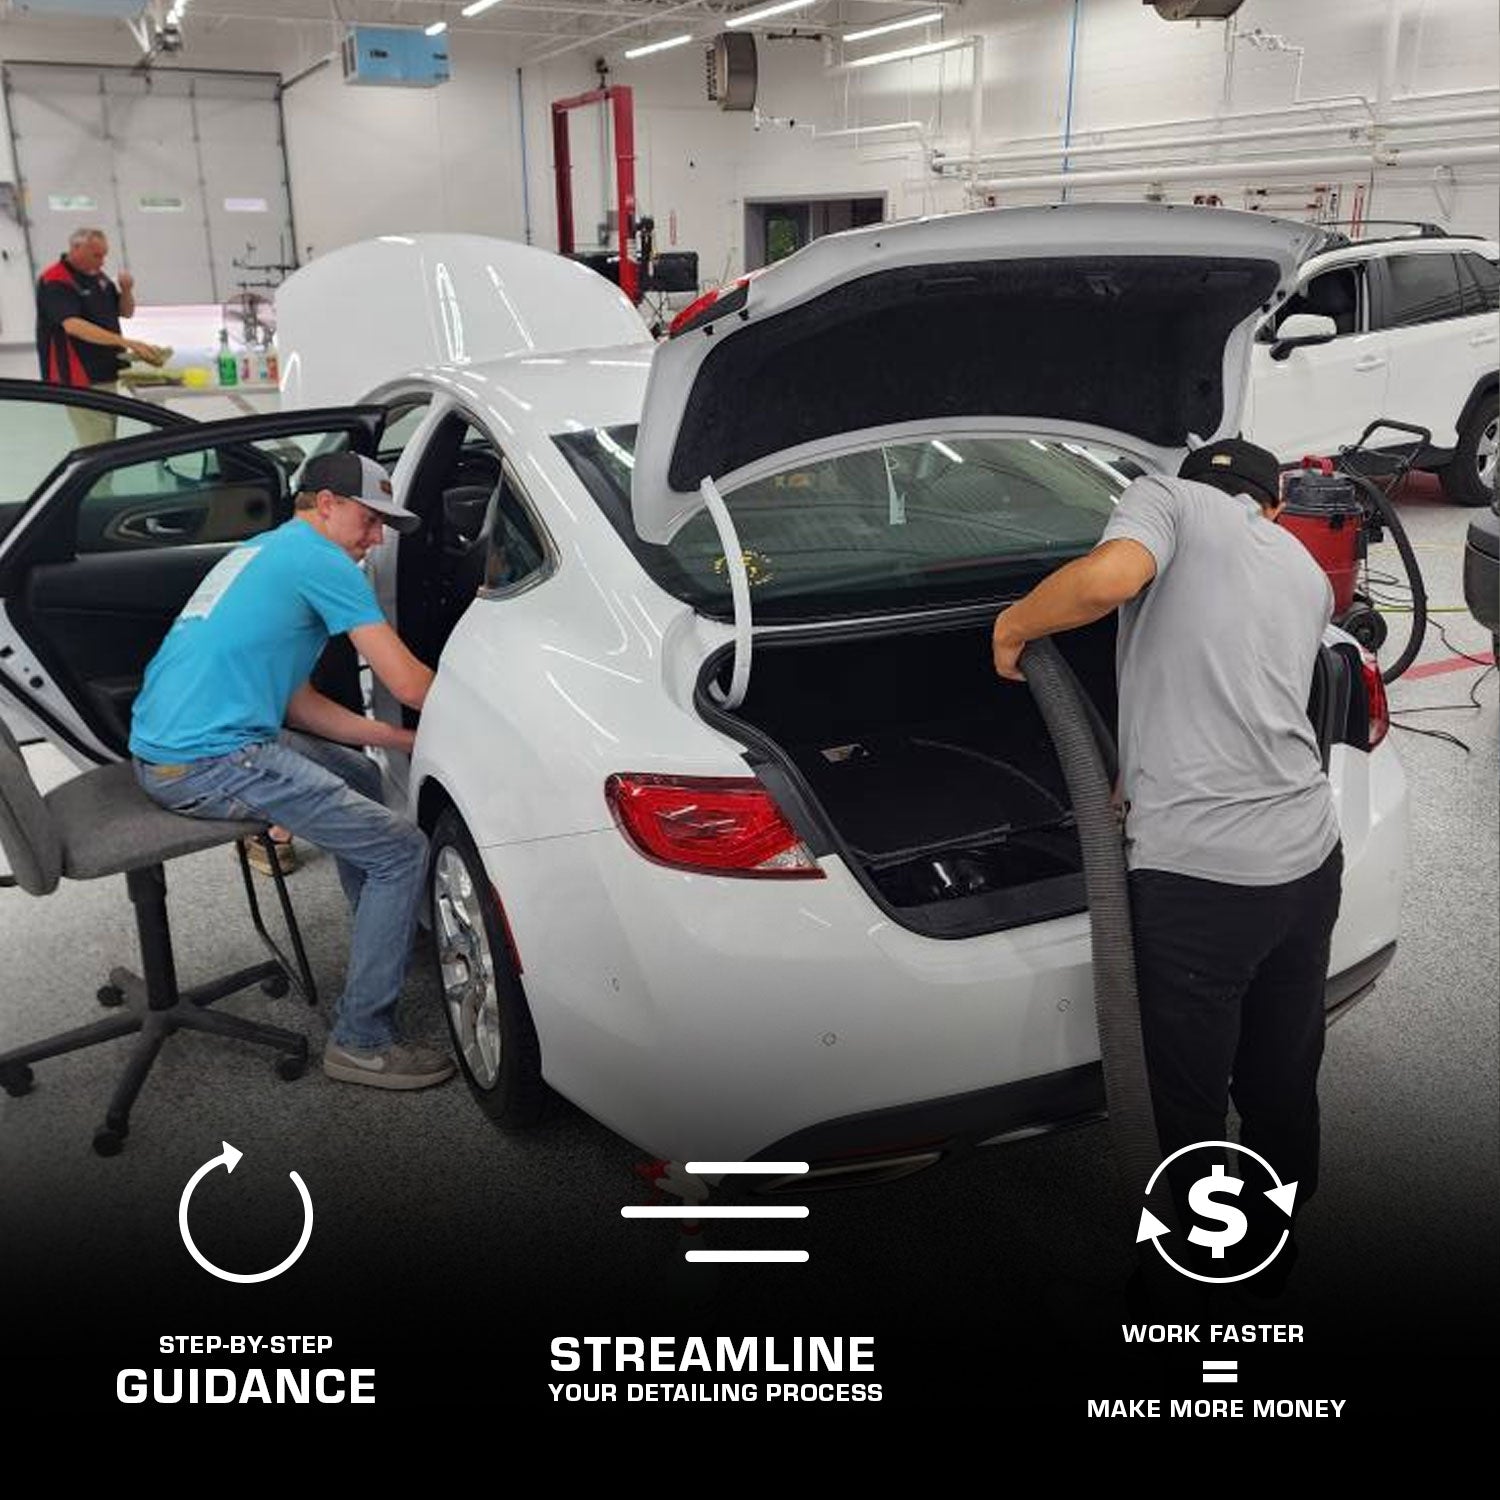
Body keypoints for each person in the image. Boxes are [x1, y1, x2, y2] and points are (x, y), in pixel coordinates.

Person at [992, 438, 1341, 1287]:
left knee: (1183, 1104)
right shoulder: (1304, 570)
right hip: (1308, 861)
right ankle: (1270, 1256)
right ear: (1272, 503)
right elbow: (1244, 692)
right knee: (1281, 1080)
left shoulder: (1169, 499)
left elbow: (1107, 581)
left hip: (1203, 882)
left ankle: (1199, 1284)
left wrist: (1014, 626)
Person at [129, 451, 455, 1091]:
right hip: (209, 761)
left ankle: (380, 929)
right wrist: (495, 721)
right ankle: (362, 1041)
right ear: (326, 504)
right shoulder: (322, 561)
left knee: (362, 777)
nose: (377, 539)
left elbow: (298, 704)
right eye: (369, 520)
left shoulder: (267, 551)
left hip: (174, 746)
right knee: (400, 850)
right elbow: (410, 683)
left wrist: (397, 738)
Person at [35, 227, 168, 447]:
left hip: (105, 371)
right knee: (96, 441)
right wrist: (126, 342)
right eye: (96, 255)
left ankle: (107, 469)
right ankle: (98, 471)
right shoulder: (56, 280)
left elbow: (125, 312)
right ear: (76, 248)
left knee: (106, 436)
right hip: (79, 376)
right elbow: (73, 325)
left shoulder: (99, 278)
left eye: (104, 255)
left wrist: (126, 290)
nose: (102, 261)